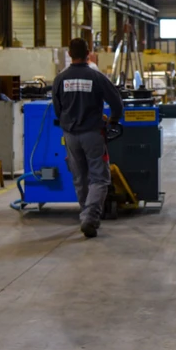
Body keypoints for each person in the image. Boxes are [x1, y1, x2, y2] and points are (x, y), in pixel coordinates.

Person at [53, 38, 124, 237]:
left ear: (69, 54)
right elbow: (116, 102)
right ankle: (90, 217)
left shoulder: (60, 79)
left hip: (70, 136)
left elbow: (58, 109)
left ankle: (85, 213)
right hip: (93, 134)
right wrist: (113, 119)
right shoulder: (96, 77)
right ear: (88, 53)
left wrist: (68, 123)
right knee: (99, 177)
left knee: (79, 177)